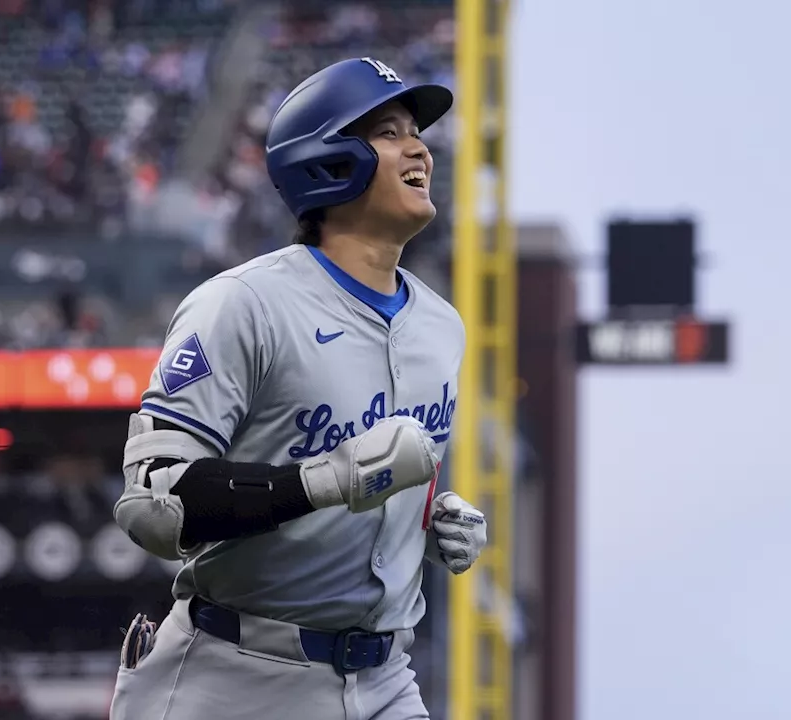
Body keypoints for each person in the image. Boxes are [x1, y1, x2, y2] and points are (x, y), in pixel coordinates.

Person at [110, 57, 488, 720]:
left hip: (384, 678)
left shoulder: (441, 326)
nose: (419, 146)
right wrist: (322, 481)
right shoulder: (241, 304)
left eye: (416, 131)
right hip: (235, 674)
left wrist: (431, 516)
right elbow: (155, 503)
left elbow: (386, 469)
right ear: (328, 160)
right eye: (389, 131)